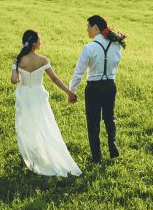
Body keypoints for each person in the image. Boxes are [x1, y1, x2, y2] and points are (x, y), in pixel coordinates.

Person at [10, 29, 82, 176]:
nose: (41, 42)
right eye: (40, 39)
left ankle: (27, 159)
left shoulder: (18, 60)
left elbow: (13, 80)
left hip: (24, 95)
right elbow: (55, 79)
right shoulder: (43, 60)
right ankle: (43, 156)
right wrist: (69, 92)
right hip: (38, 95)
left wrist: (17, 72)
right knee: (43, 124)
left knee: (25, 126)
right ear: (34, 43)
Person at [69, 15, 127, 163]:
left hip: (94, 88)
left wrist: (72, 91)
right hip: (110, 85)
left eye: (88, 27)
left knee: (93, 123)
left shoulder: (89, 48)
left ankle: (96, 157)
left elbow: (79, 71)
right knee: (109, 117)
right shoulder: (116, 45)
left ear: (96, 28)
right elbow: (115, 64)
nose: (87, 30)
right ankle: (112, 143)